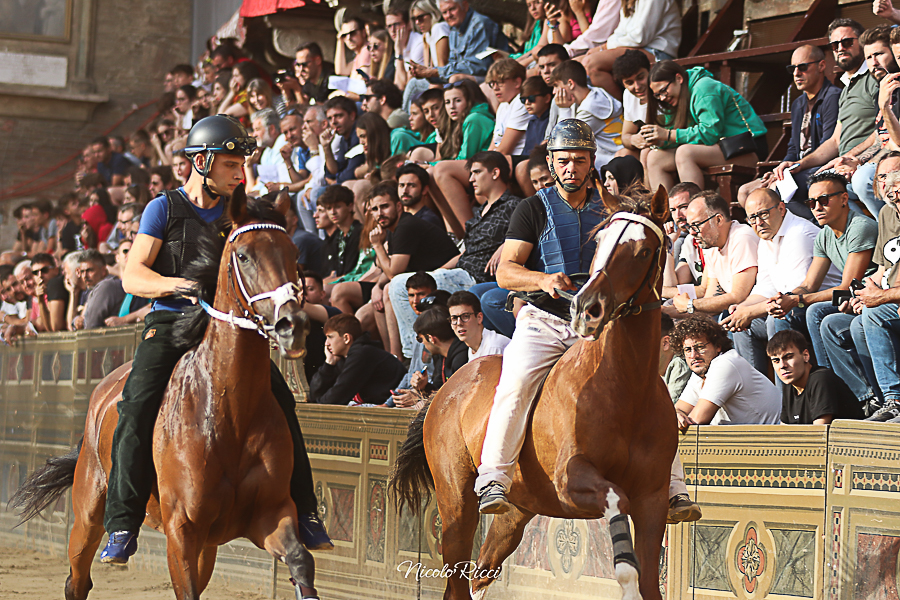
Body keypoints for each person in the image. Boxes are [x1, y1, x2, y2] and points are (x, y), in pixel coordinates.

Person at [99, 115, 331, 565]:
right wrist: (177, 286)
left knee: (282, 403)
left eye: (242, 164)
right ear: (202, 161)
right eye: (230, 164)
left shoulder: (242, 211)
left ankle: (305, 513)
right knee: (136, 404)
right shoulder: (163, 207)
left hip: (227, 329)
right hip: (169, 323)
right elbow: (133, 276)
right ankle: (123, 521)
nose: (239, 173)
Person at [474, 119, 609, 513]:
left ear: (591, 161)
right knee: (514, 386)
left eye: (580, 161)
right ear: (551, 163)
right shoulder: (531, 207)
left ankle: (672, 488)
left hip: (598, 323)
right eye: (564, 161)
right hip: (544, 320)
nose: (572, 169)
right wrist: (542, 278)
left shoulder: (609, 206)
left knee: (647, 382)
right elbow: (505, 271)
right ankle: (493, 480)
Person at [767, 172, 877, 379]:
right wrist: (786, 298)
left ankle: (829, 384)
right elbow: (808, 284)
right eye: (811, 202)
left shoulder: (860, 227)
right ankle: (792, 398)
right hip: (849, 296)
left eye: (824, 200)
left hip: (865, 295)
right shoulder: (825, 234)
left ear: (844, 199)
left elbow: (847, 288)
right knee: (781, 315)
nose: (817, 208)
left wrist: (798, 299)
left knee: (815, 311)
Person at [723, 188, 839, 376]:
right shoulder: (766, 238)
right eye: (752, 218)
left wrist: (750, 311)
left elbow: (792, 296)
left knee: (775, 318)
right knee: (739, 325)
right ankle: (760, 395)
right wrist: (742, 308)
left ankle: (784, 398)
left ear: (782, 209)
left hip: (818, 304)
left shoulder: (799, 233)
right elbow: (766, 286)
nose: (758, 222)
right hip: (795, 305)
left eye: (763, 214)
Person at [820, 170, 900, 420]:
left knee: (871, 316)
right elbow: (883, 269)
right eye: (884, 180)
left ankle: (893, 398)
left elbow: (844, 285)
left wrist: (878, 298)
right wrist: (862, 295)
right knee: (830, 322)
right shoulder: (887, 214)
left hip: (891, 300)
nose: (890, 188)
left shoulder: (862, 226)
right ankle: (868, 400)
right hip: (887, 294)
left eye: (823, 199)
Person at [775, 19, 879, 207]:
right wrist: (798, 165)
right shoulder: (847, 87)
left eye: (846, 42)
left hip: (866, 164)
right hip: (843, 167)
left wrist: (854, 158)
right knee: (782, 189)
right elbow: (834, 141)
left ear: (862, 43)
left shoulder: (874, 77)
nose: (840, 48)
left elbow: (882, 130)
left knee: (815, 189)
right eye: (834, 44)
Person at [739, 45, 840, 217]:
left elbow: (828, 147)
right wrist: (780, 169)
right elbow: (794, 147)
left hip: (819, 168)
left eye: (803, 67)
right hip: (797, 170)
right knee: (745, 192)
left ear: (821, 66)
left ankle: (813, 229)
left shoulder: (833, 97)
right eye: (792, 69)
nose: (796, 73)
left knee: (773, 192)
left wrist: (794, 168)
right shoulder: (798, 104)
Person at [642, 61, 768, 191]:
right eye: (657, 95)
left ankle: (692, 208)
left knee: (685, 153)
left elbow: (710, 134)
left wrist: (668, 135)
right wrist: (661, 141)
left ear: (679, 78)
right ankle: (665, 210)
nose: (662, 98)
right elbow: (684, 135)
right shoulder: (678, 96)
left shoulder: (704, 88)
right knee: (654, 157)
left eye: (664, 90)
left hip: (746, 148)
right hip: (718, 148)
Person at [672, 316, 782, 428]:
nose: (693, 355)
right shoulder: (701, 370)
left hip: (772, 440)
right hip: (746, 440)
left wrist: (679, 419)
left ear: (718, 346)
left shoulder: (725, 364)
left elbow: (696, 421)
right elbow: (679, 409)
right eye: (687, 350)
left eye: (700, 347)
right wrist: (678, 415)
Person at [667, 192, 759, 320]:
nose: (692, 232)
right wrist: (666, 312)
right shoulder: (711, 245)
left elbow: (738, 296)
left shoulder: (742, 237)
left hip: (758, 312)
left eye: (696, 225)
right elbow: (710, 298)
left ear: (718, 220)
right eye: (690, 226)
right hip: (734, 311)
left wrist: (689, 304)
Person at [578, 0, 681, 97]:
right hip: (636, 49)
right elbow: (620, 32)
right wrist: (603, 48)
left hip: (657, 53)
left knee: (590, 64)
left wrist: (604, 47)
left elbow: (639, 37)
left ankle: (618, 110)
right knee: (576, 64)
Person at [767, 330, 864, 424]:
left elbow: (819, 433)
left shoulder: (820, 379)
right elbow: (785, 433)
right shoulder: (789, 384)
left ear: (805, 355)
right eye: (776, 361)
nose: (782, 365)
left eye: (788, 357)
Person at [308, 314, 406, 405]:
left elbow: (337, 397)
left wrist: (318, 403)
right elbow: (314, 395)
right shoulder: (343, 357)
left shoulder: (361, 354)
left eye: (330, 337)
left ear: (346, 338)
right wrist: (329, 363)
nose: (326, 343)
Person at [406, 0, 510, 84]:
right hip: (474, 76)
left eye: (452, 9)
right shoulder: (454, 30)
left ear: (464, 5)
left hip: (496, 76)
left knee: (455, 80)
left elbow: (478, 66)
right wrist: (426, 73)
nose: (448, 15)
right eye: (444, 12)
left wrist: (434, 72)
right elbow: (453, 64)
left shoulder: (479, 24)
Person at [549, 60, 623, 169]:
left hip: (613, 157)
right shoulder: (592, 94)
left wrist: (564, 109)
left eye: (556, 86)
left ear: (570, 83)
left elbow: (567, 140)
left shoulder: (591, 108)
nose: (554, 92)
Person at [299, 271, 343, 383]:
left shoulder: (333, 312)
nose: (303, 293)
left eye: (310, 289)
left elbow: (303, 306)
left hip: (328, 380)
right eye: (299, 289)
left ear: (322, 294)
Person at [447, 290, 510, 359]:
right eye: (454, 318)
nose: (459, 323)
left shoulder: (493, 348)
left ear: (479, 318)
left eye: (465, 316)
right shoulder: (473, 348)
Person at [613, 49, 652, 160]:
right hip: (648, 148)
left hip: (670, 146)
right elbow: (626, 135)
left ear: (650, 71)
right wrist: (633, 139)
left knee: (646, 153)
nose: (637, 86)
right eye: (629, 83)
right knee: (622, 156)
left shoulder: (661, 89)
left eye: (640, 78)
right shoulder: (628, 95)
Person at [73, 249, 126, 330]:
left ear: (103, 271)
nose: (85, 276)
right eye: (82, 272)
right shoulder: (94, 288)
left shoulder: (107, 286)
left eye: (89, 270)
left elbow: (91, 324)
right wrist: (76, 321)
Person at [318, 185, 363, 279]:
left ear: (350, 206)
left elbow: (353, 272)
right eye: (329, 208)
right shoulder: (335, 237)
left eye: (337, 207)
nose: (333, 212)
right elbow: (333, 273)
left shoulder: (360, 232)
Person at [244, 108, 290, 196]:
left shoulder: (282, 144)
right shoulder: (267, 151)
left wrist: (258, 193)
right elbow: (259, 185)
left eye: (257, 129)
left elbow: (284, 183)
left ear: (272, 129)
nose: (254, 135)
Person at [321, 96, 365, 185]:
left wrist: (335, 181)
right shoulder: (343, 138)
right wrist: (326, 147)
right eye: (330, 118)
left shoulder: (359, 134)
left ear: (352, 116)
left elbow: (350, 174)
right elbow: (334, 171)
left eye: (338, 116)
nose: (333, 122)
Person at [386, 7, 426, 90]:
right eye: (389, 26)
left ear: (409, 25)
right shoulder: (399, 46)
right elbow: (398, 84)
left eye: (396, 24)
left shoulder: (419, 43)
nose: (393, 30)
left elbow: (405, 85)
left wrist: (399, 54)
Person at [396, 163, 444, 228]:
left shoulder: (427, 220)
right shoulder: (396, 218)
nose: (405, 191)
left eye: (412, 186)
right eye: (401, 185)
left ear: (424, 189)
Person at [30, 252, 67, 332]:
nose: (40, 275)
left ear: (56, 270)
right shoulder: (36, 295)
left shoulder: (59, 286)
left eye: (44, 270)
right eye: (35, 272)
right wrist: (41, 300)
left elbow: (54, 328)